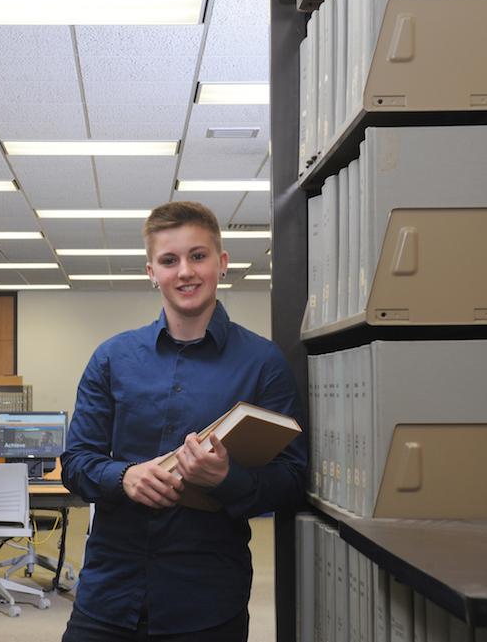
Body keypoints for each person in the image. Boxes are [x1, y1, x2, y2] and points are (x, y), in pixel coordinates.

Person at [60, 201, 307, 641]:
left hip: (207, 602)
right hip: (107, 598)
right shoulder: (113, 358)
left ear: (222, 263)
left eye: (198, 256)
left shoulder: (263, 363)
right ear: (152, 271)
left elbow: (291, 479)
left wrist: (225, 478)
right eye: (169, 260)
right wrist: (125, 477)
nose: (185, 272)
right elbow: (76, 462)